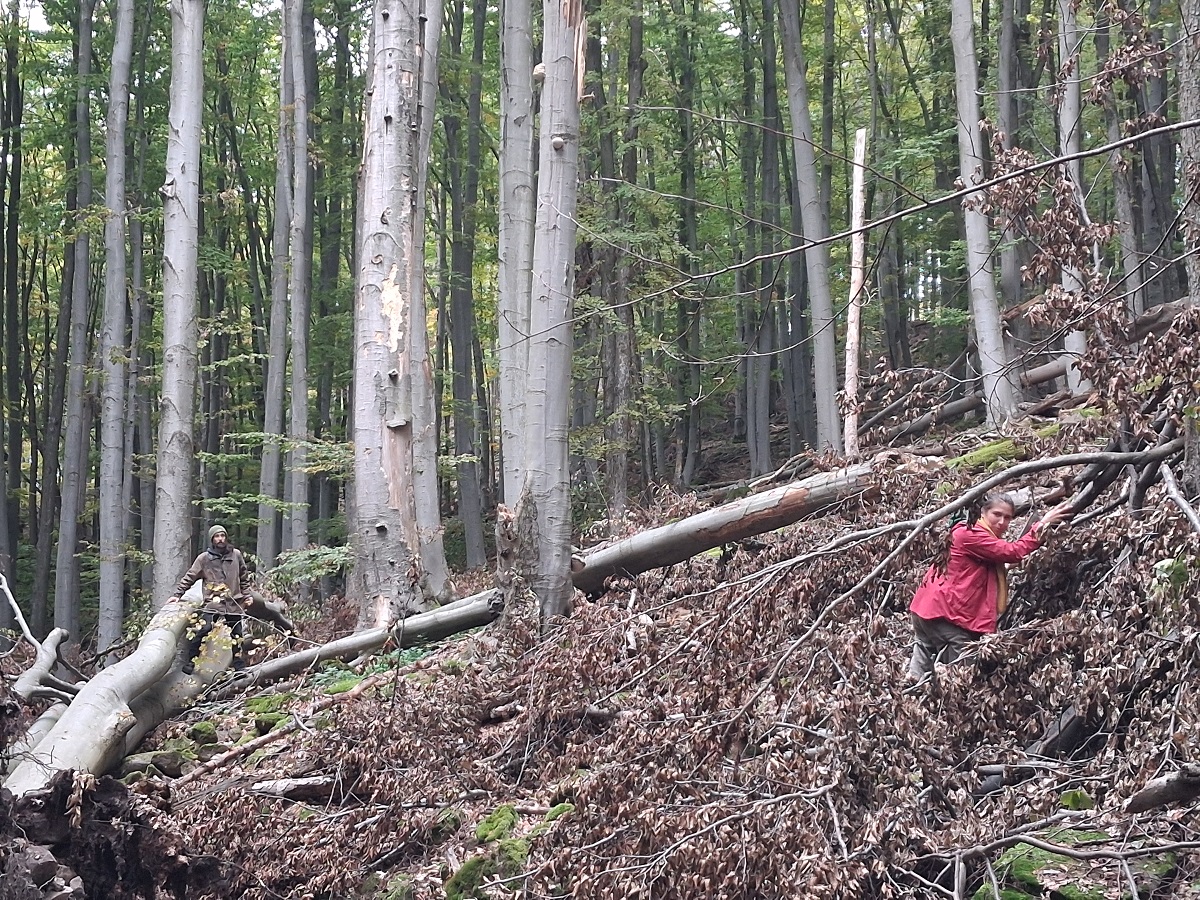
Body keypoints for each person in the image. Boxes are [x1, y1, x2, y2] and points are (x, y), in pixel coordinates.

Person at [907, 493, 1074, 681]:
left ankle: (911, 695)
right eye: (997, 514)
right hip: (945, 614)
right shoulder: (970, 533)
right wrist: (1042, 526)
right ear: (983, 512)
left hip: (927, 609)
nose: (1002, 522)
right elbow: (1012, 551)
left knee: (922, 660)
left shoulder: (973, 533)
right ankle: (950, 705)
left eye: (1008, 517)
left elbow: (991, 558)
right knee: (962, 671)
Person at [170, 524, 256, 671]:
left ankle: (239, 666)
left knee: (236, 635)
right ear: (212, 539)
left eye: (222, 536)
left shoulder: (236, 555)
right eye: (217, 536)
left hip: (233, 601)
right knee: (204, 629)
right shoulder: (204, 558)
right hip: (213, 602)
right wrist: (177, 594)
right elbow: (190, 576)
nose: (220, 539)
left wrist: (247, 595)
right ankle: (191, 662)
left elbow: (243, 576)